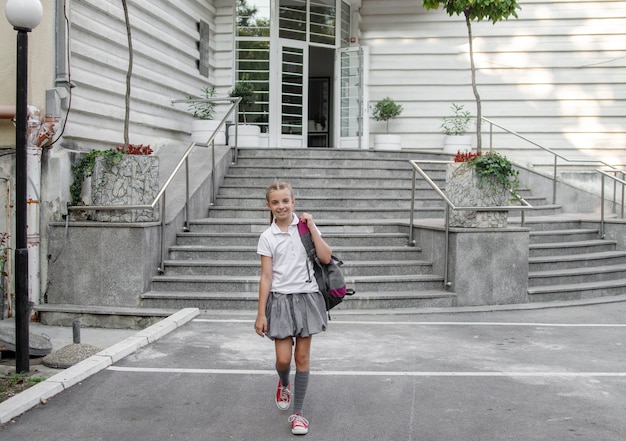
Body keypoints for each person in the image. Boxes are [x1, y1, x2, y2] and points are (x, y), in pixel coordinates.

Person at [255, 181, 332, 435]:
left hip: (307, 298)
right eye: (275, 202)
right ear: (269, 206)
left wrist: (311, 227)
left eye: (285, 201)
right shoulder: (267, 236)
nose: (281, 206)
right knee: (283, 359)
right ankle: (284, 382)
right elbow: (266, 276)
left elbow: (325, 257)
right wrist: (260, 314)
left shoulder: (305, 227)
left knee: (302, 358)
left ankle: (298, 414)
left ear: (293, 202)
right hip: (279, 301)